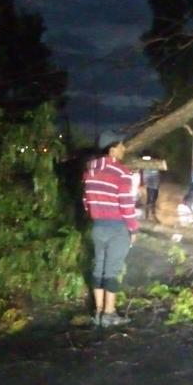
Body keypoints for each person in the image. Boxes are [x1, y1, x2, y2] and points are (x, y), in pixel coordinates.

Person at [83, 130, 139, 327]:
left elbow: (85, 200)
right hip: (117, 228)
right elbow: (126, 204)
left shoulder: (90, 169)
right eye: (121, 145)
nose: (124, 149)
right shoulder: (122, 172)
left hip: (98, 226)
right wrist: (133, 229)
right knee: (112, 271)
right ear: (113, 149)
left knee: (99, 266)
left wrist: (96, 213)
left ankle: (98, 312)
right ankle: (109, 314)